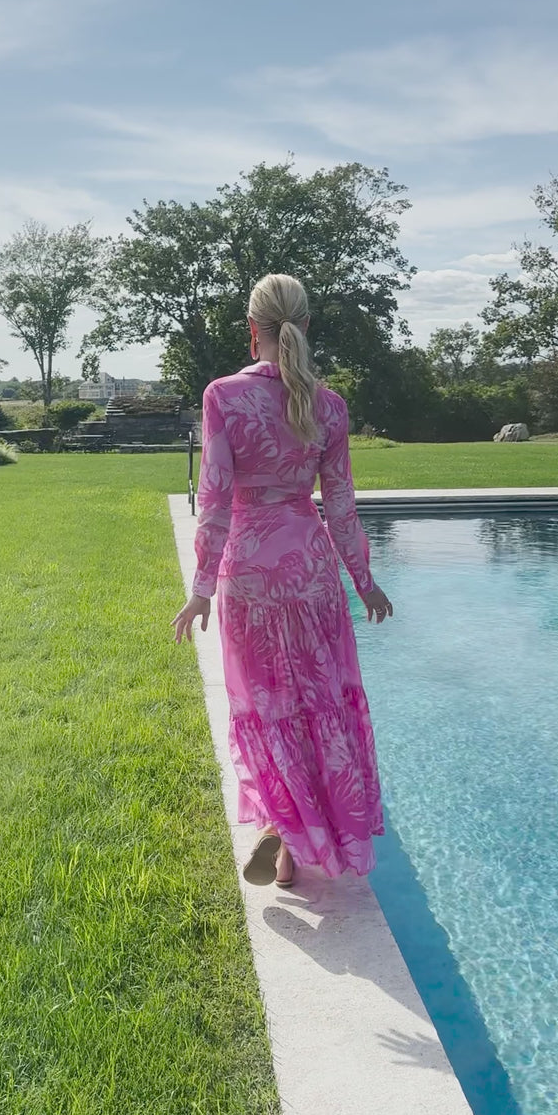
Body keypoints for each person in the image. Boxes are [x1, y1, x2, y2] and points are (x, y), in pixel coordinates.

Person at [173, 273, 392, 889]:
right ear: (306, 325)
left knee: (269, 706)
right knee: (318, 703)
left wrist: (201, 588)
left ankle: (282, 828)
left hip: (251, 575)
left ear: (253, 330)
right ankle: (295, 843)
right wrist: (364, 581)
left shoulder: (223, 396)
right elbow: (341, 506)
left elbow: (214, 500)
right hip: (311, 571)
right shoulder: (330, 406)